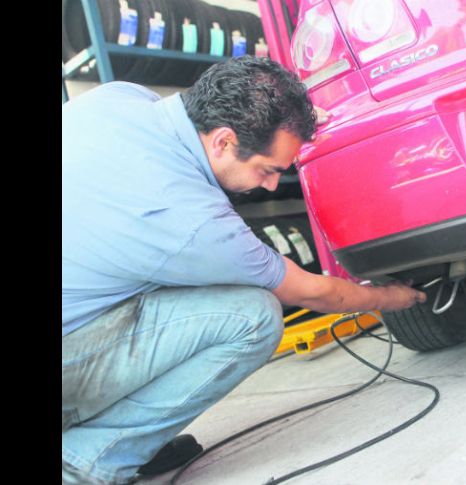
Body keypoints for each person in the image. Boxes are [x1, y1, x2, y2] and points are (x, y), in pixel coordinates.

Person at [62, 55, 426, 485]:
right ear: (223, 142)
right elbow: (313, 293)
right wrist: (394, 297)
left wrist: (294, 115)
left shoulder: (115, 99)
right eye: (268, 170)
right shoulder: (196, 222)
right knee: (252, 317)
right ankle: (85, 462)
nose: (272, 184)